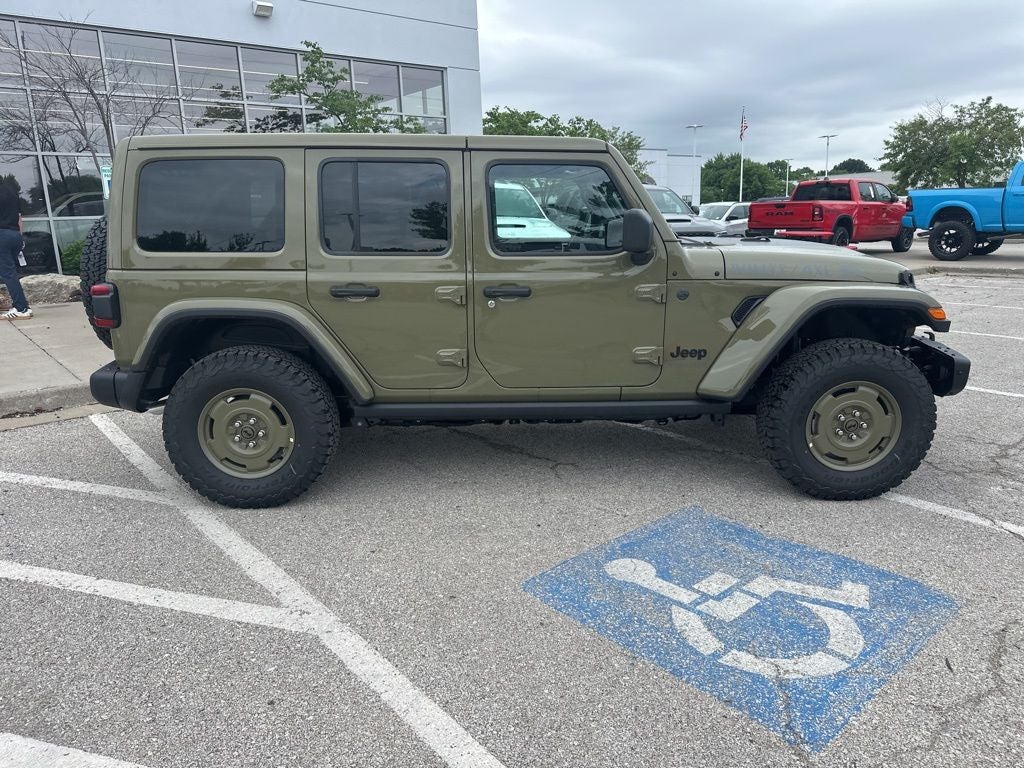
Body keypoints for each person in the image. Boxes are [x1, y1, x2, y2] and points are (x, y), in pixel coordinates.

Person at [0, 182, 32, 320]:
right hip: (15, 235)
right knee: (9, 272)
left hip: (2, 236)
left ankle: (21, 308)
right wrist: (20, 237)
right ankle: (21, 305)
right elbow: (19, 217)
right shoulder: (10, 191)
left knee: (8, 273)